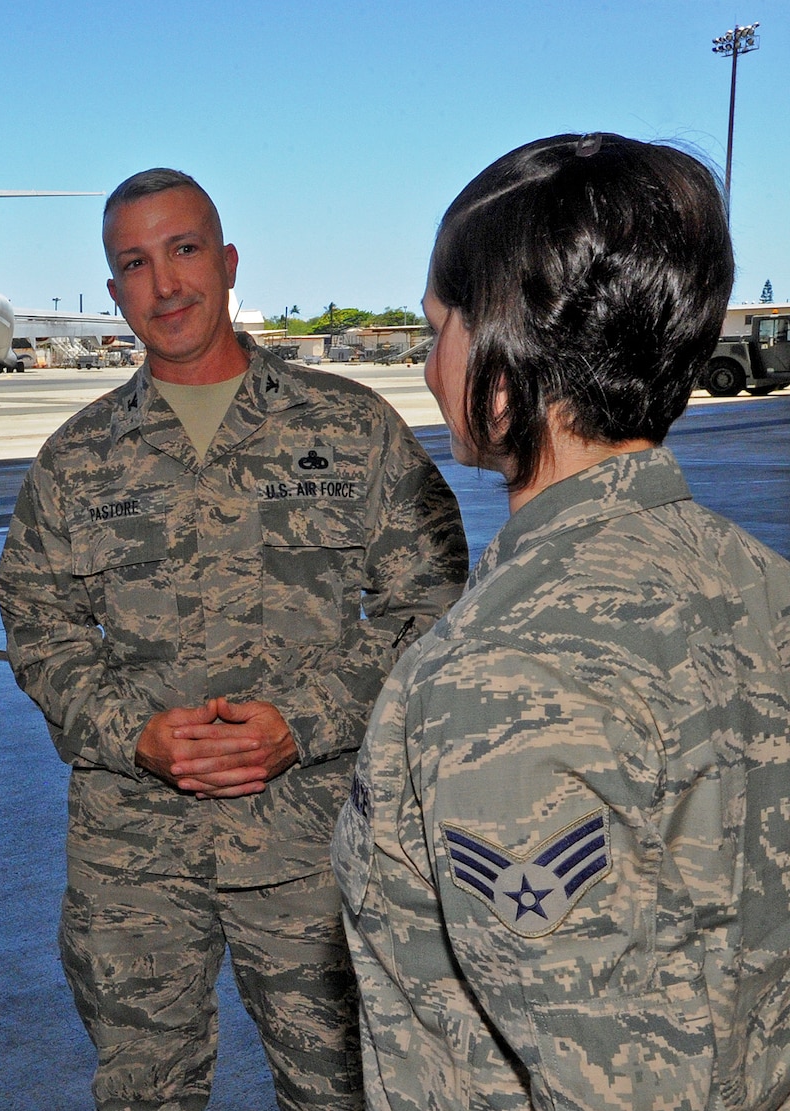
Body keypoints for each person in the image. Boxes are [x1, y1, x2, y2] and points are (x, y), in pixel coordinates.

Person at [0, 169, 468, 1111]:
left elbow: (436, 608)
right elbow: (38, 623)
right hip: (134, 855)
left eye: (183, 251)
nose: (164, 284)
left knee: (342, 1086)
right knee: (142, 1092)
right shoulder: (77, 457)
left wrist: (304, 720)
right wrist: (133, 729)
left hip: (314, 845)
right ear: (113, 286)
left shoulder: (351, 429)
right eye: (134, 263)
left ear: (228, 261)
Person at [335, 133, 790, 1111]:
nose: (424, 369)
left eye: (435, 331)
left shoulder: (496, 670)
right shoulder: (760, 585)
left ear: (498, 364)